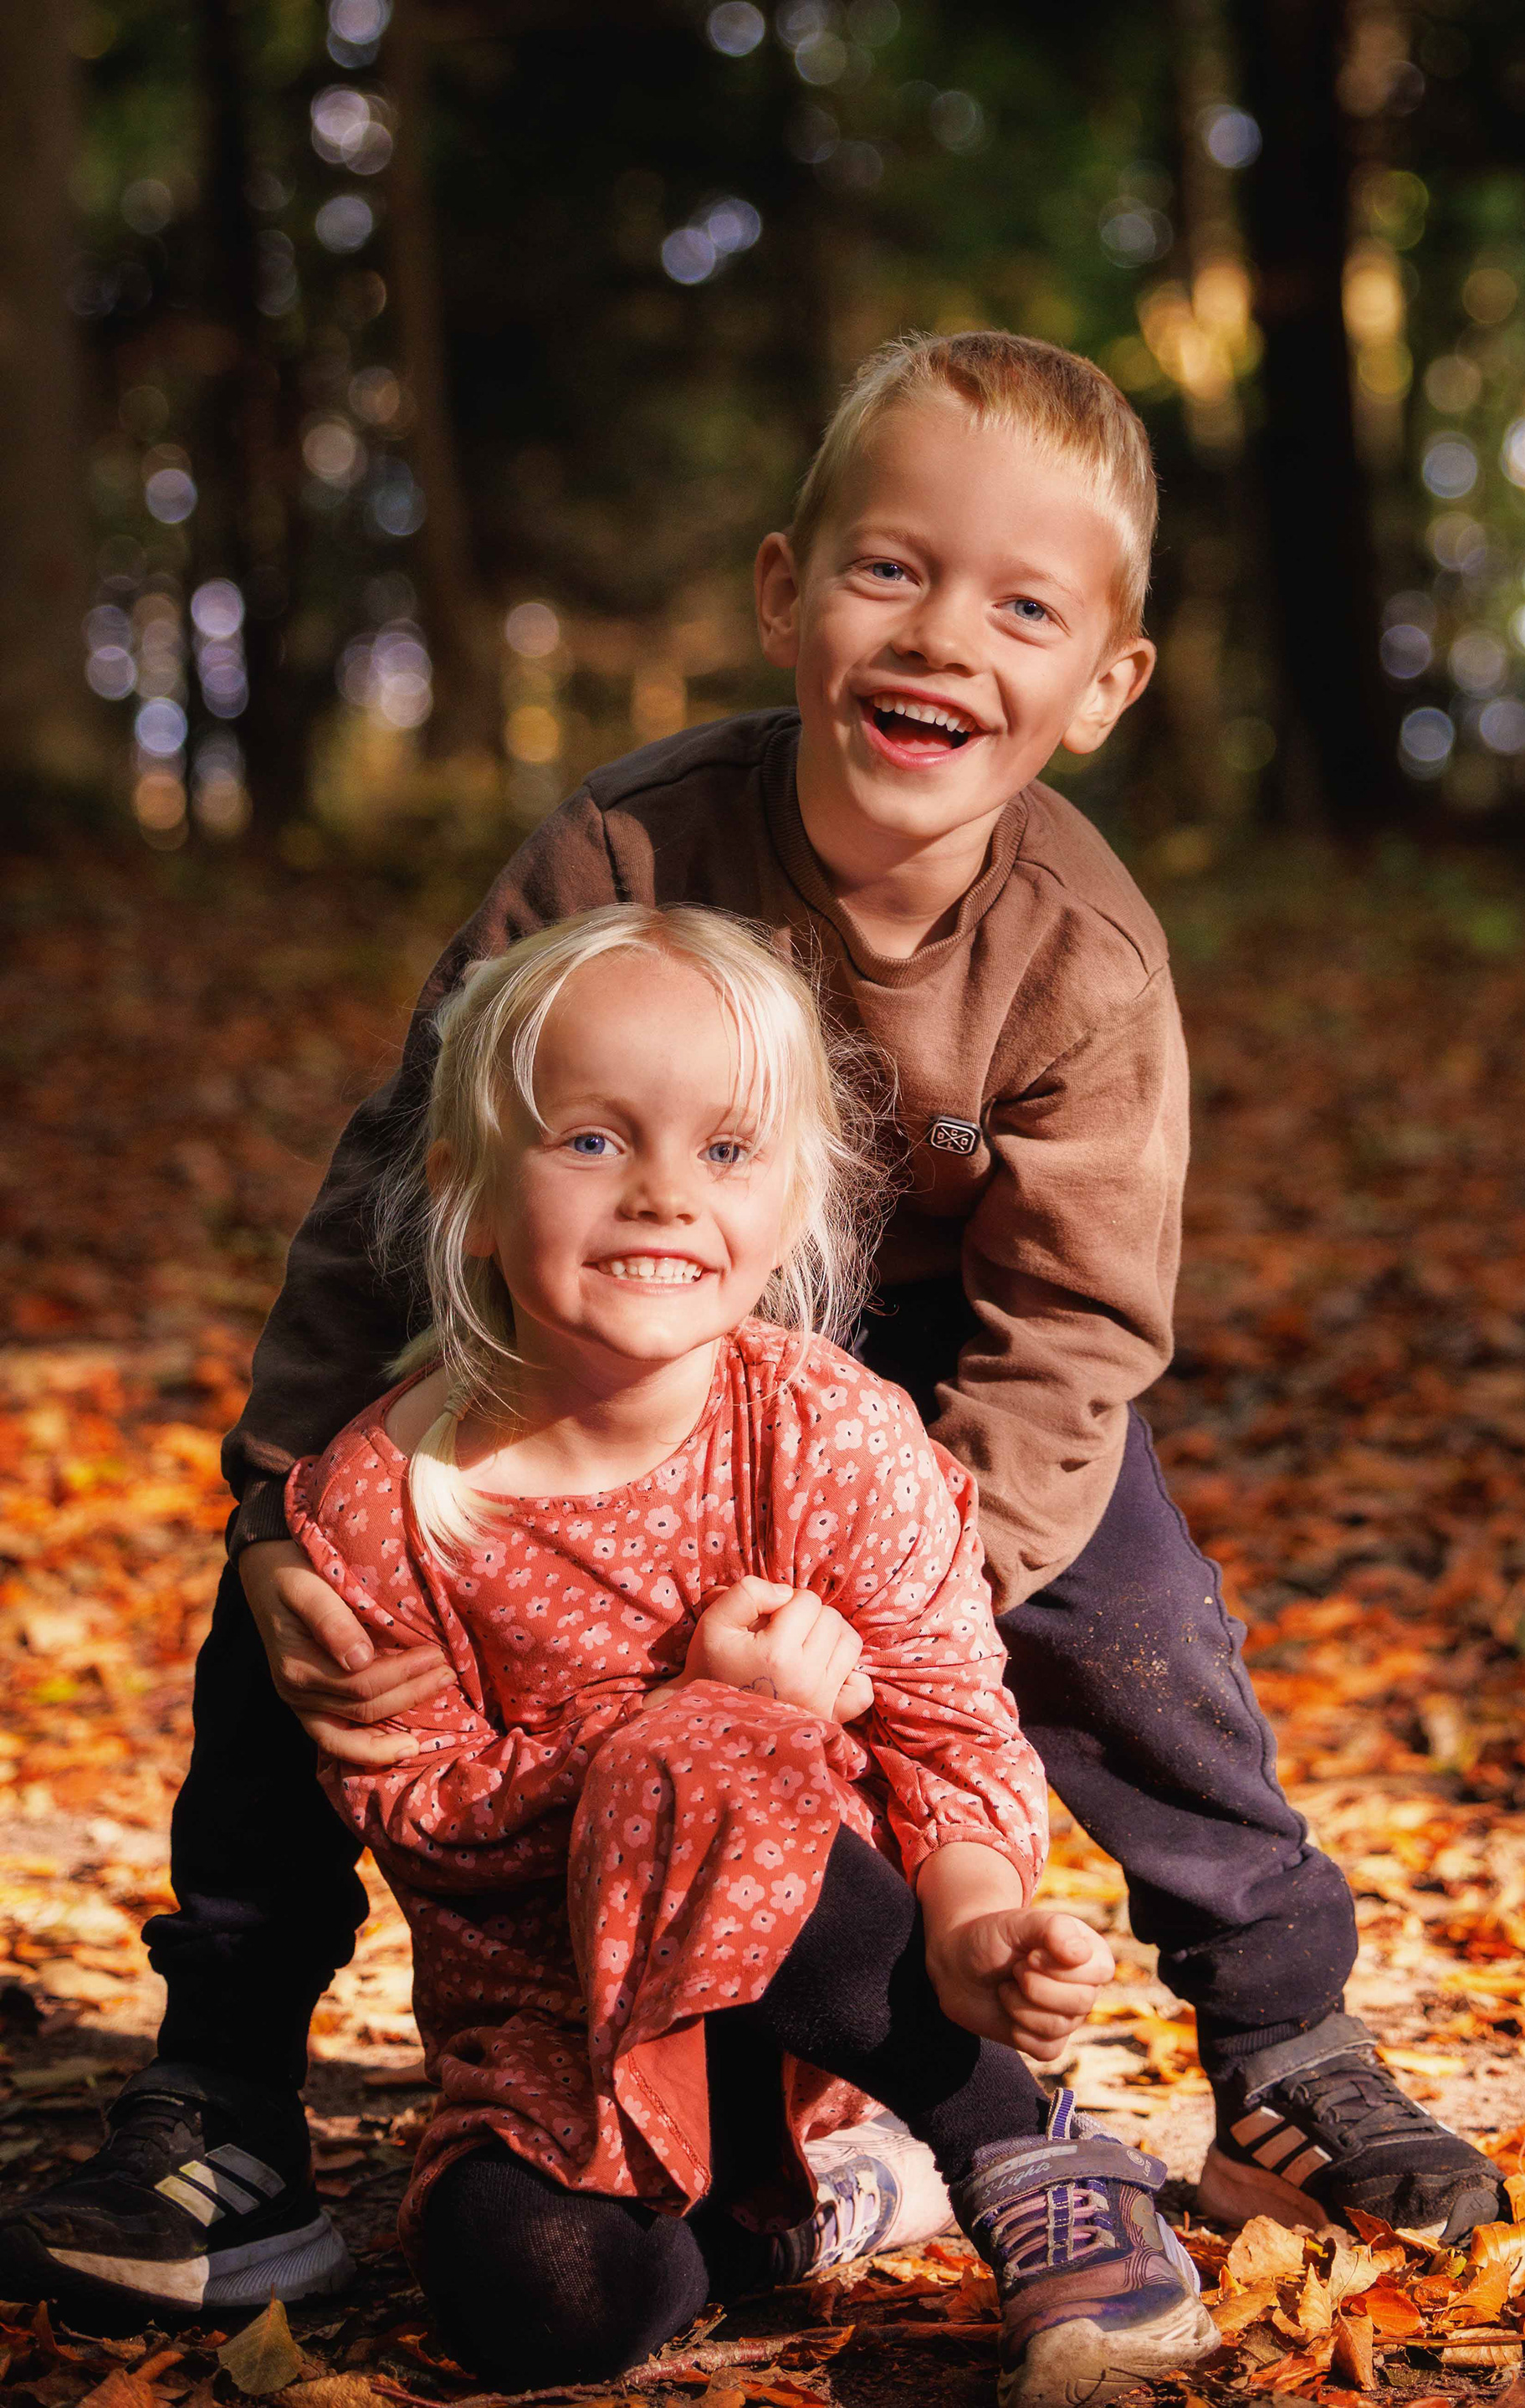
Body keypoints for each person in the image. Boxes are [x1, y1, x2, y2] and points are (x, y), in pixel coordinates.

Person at [0, 330, 1504, 2325]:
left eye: (1025, 605)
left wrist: (902, 1595)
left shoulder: (1082, 954)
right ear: (790, 590)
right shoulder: (618, 854)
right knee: (321, 1605)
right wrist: (281, 1501)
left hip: (947, 1369)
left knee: (1138, 1621)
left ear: (1103, 686)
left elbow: (1075, 1326)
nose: (944, 633)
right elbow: (406, 1181)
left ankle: (1282, 2045)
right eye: (893, 569)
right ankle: (224, 2092)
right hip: (609, 1308)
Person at [295, 904, 1216, 2400]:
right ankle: (795, 2217)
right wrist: (680, 1710)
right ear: (464, 1191)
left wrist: (977, 1926)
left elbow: (947, 1727)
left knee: (706, 1750)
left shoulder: (829, 1431)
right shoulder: (384, 1497)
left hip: (832, 2015)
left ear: (795, 1205)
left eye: (726, 1152)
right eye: (593, 1141)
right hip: (564, 2033)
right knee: (526, 2297)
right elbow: (417, 1811)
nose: (662, 1193)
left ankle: (1013, 2143)